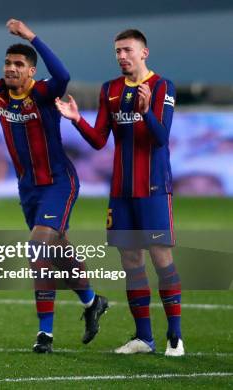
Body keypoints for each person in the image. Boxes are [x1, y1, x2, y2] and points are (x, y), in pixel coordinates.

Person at [0, 19, 108, 353]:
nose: (11, 69)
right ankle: (92, 302)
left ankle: (45, 334)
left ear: (31, 71)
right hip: (28, 189)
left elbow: (63, 76)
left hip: (59, 182)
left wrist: (32, 37)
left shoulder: (43, 92)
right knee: (60, 254)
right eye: (8, 63)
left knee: (37, 249)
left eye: (19, 65)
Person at [55, 29, 183, 356]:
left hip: (152, 189)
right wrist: (75, 120)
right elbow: (99, 140)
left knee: (161, 258)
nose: (122, 56)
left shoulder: (161, 87)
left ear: (144, 52)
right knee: (130, 261)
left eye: (127, 50)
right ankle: (144, 338)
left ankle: (175, 337)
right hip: (121, 192)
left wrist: (145, 112)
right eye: (117, 52)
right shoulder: (110, 90)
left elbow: (160, 138)